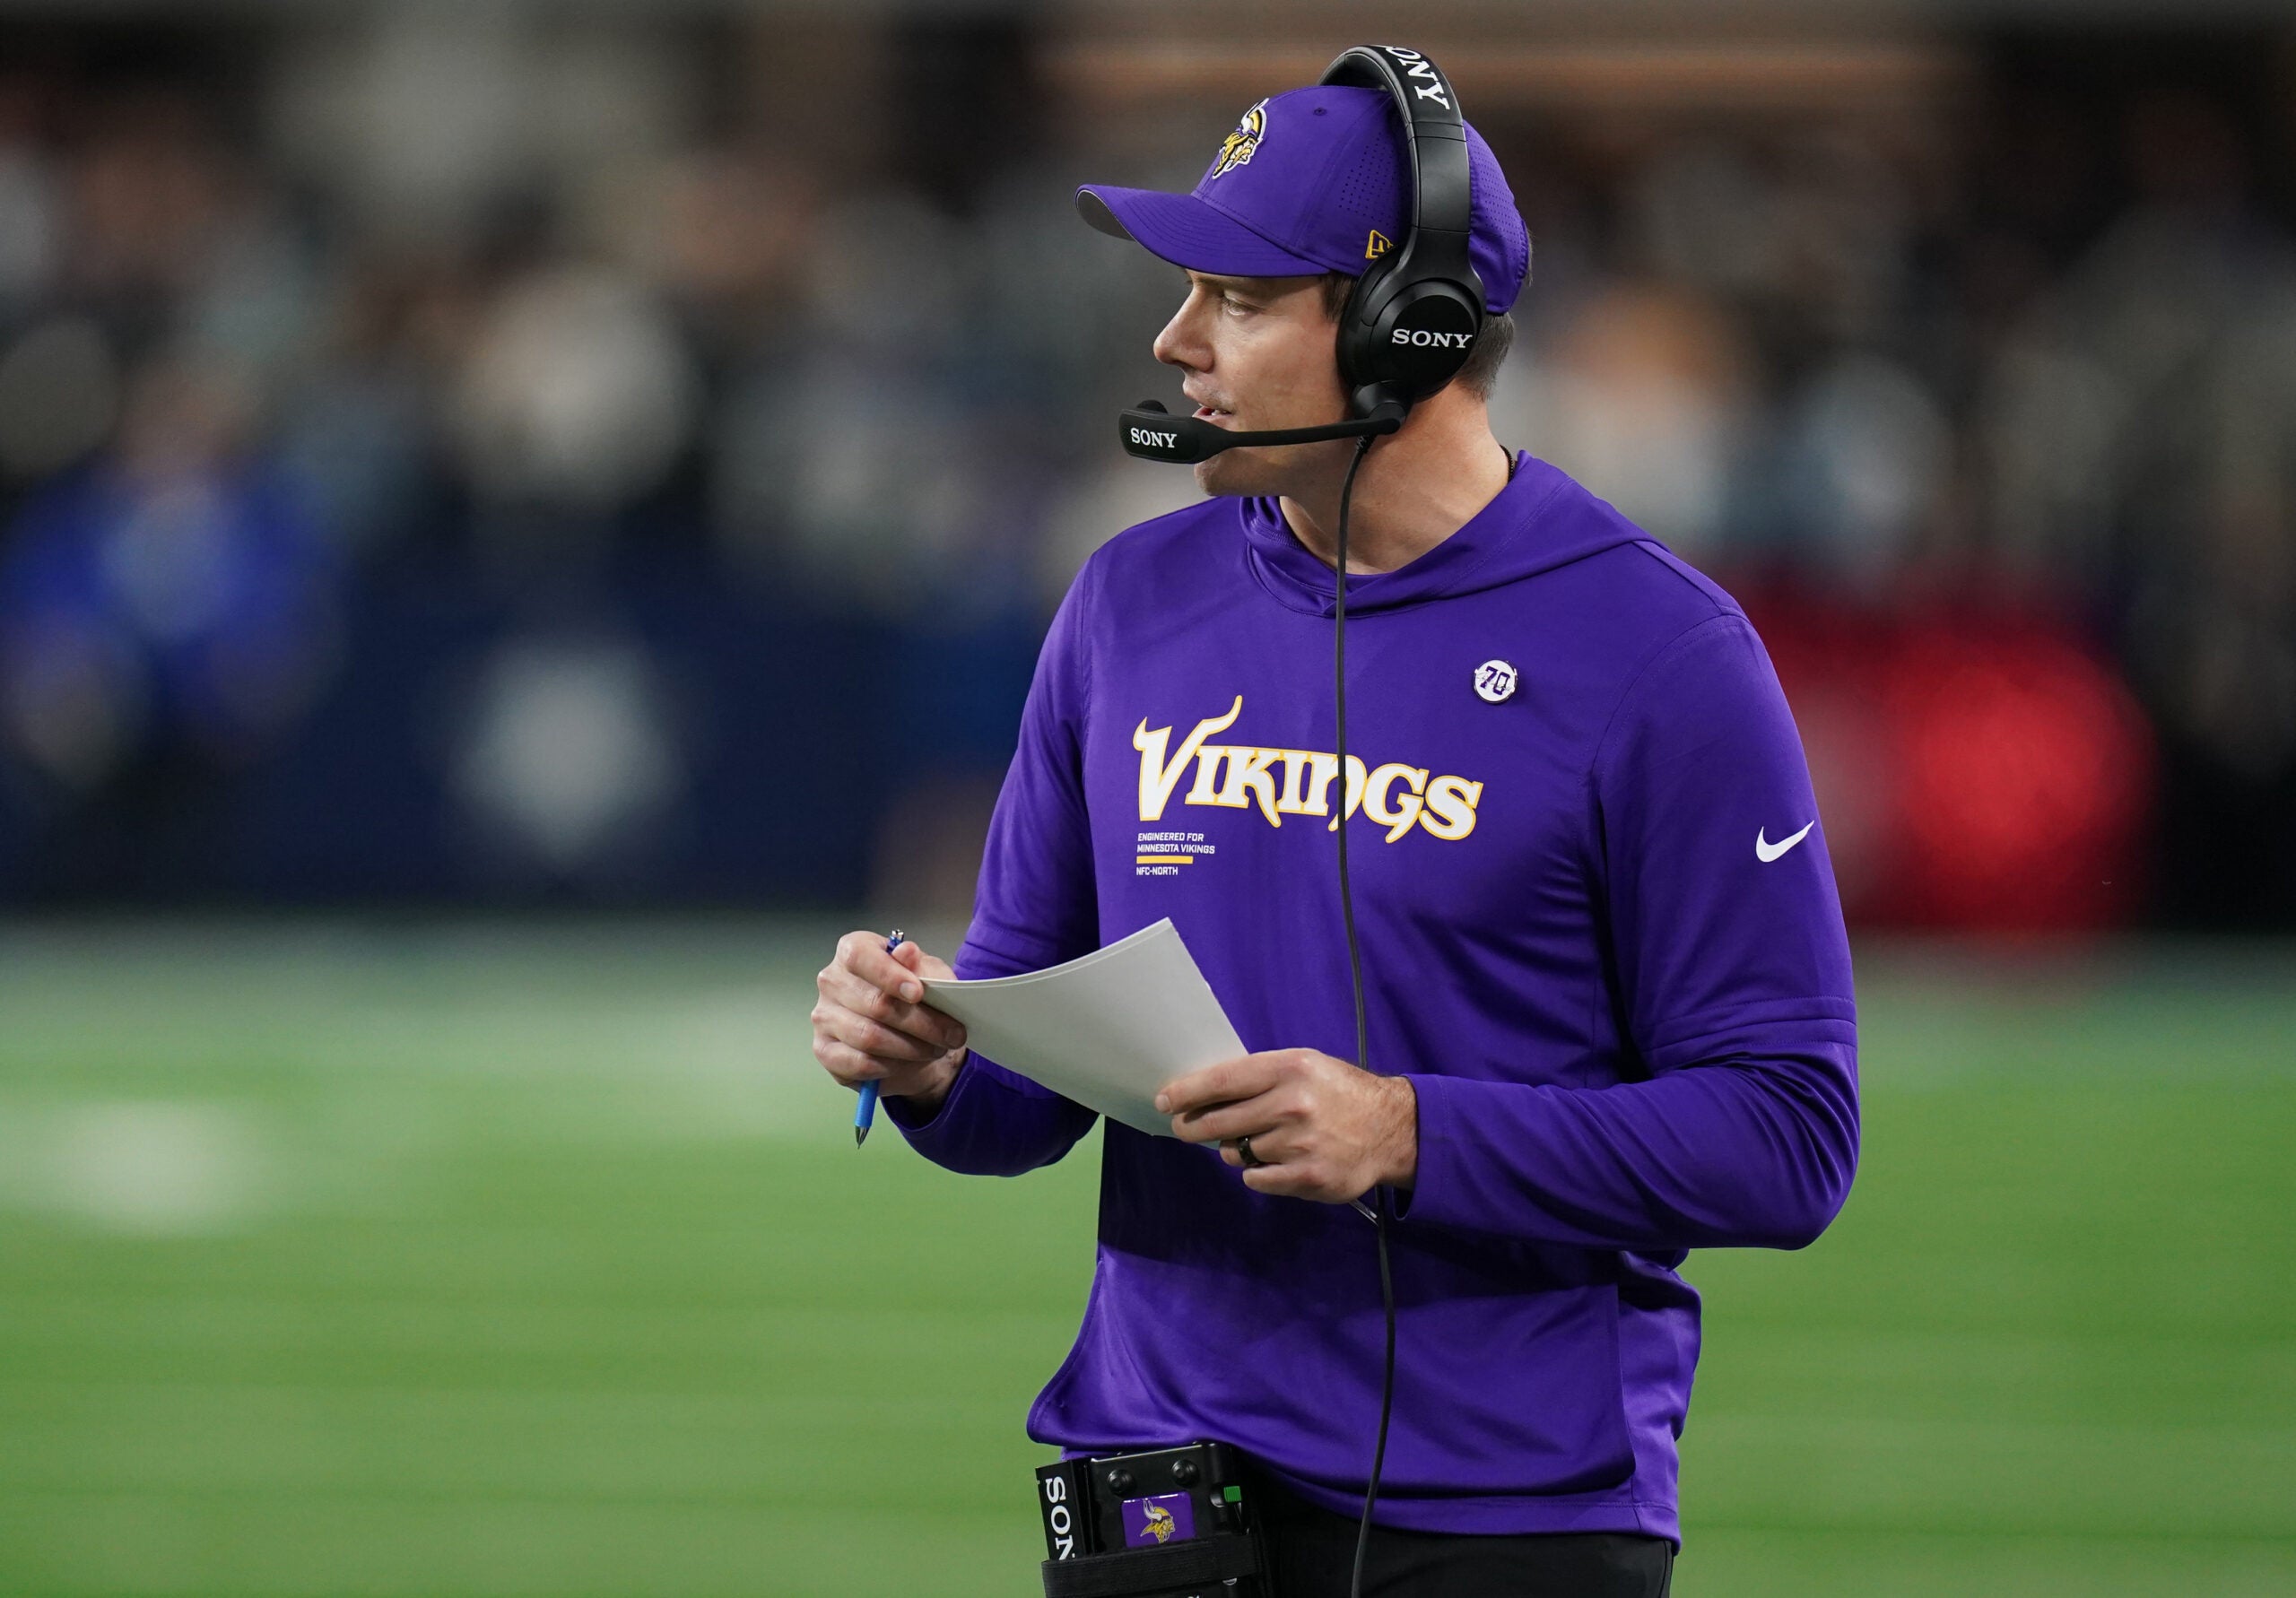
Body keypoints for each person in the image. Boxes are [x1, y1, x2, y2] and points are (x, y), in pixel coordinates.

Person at [811, 76, 1859, 1598]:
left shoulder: (1659, 653)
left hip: (1507, 1510)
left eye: (1235, 297)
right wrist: (936, 1056)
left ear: (1405, 330)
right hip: (1156, 1487)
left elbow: (1789, 1137)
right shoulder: (1124, 605)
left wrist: (1410, 1133)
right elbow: (1025, 1107)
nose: (1176, 344)